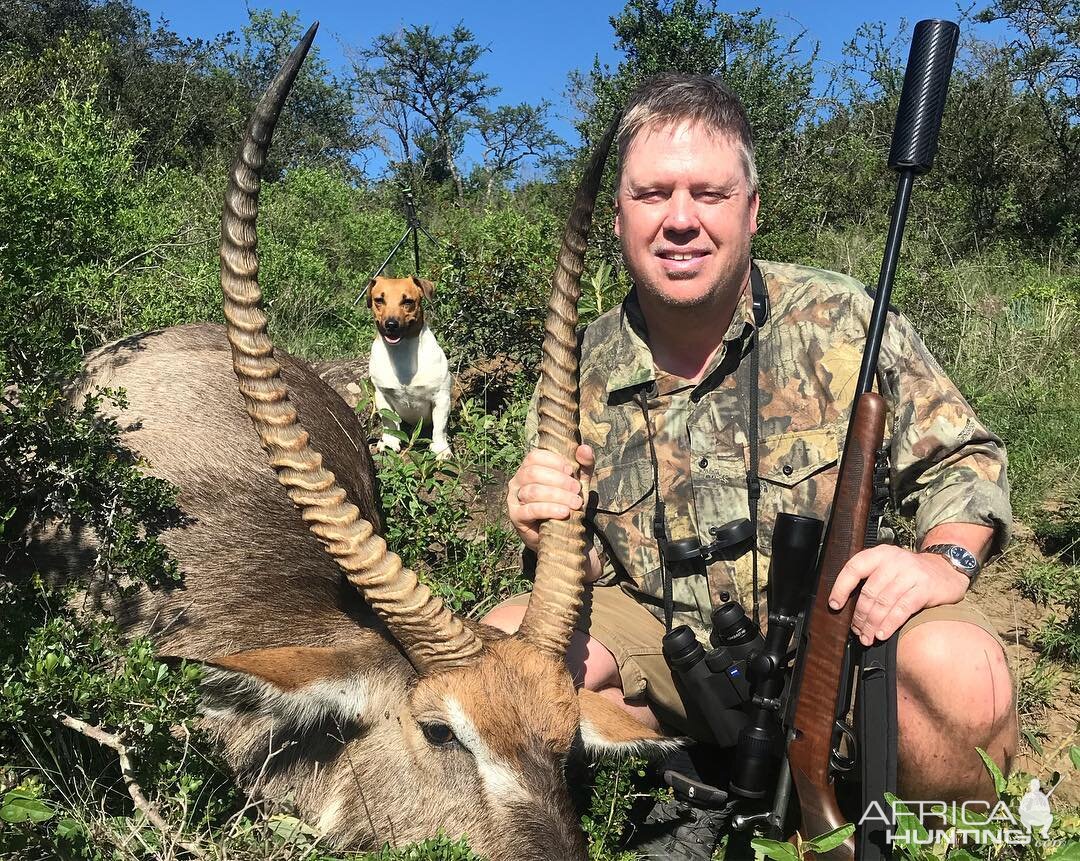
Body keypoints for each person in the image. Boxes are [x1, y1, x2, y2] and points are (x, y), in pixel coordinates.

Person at [483, 73, 1017, 858]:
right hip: (670, 653)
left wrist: (945, 558)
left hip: (835, 642)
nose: (680, 220)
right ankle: (668, 807)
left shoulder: (842, 321)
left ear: (752, 210)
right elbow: (582, 567)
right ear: (620, 215)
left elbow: (967, 459)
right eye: (653, 193)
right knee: (502, 658)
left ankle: (929, 835)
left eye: (709, 192)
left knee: (959, 670)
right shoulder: (578, 363)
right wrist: (539, 524)